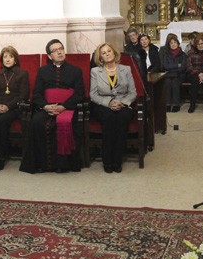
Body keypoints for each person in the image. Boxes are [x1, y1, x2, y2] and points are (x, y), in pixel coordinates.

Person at [20, 39, 85, 173]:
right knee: (37, 122)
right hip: (47, 107)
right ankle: (42, 164)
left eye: (61, 48)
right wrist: (45, 106)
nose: (59, 52)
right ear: (49, 56)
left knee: (64, 123)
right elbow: (36, 93)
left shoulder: (76, 71)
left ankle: (63, 165)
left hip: (67, 108)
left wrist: (64, 106)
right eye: (55, 51)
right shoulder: (43, 71)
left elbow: (79, 94)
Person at [89, 43, 137, 173]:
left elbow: (133, 93)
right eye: (103, 53)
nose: (107, 54)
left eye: (109, 51)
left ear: (114, 52)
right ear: (100, 57)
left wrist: (122, 102)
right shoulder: (95, 72)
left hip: (123, 103)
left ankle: (117, 159)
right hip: (103, 104)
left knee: (122, 118)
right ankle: (107, 160)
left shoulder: (125, 69)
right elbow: (93, 94)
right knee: (109, 118)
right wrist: (109, 102)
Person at [0, 46, 29, 171]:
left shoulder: (22, 73)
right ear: (1, 59)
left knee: (2, 121)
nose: (8, 59)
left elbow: (23, 95)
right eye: (5, 57)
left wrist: (7, 107)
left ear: (15, 59)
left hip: (14, 107)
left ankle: (1, 157)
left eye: (10, 56)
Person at [159, 33, 187, 113]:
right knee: (167, 83)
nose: (173, 44)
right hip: (168, 75)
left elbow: (183, 67)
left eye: (175, 42)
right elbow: (165, 66)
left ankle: (176, 104)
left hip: (179, 75)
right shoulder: (167, 54)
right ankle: (167, 104)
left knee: (175, 82)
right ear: (169, 45)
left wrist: (175, 67)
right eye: (171, 43)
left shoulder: (183, 55)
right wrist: (177, 65)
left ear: (178, 43)